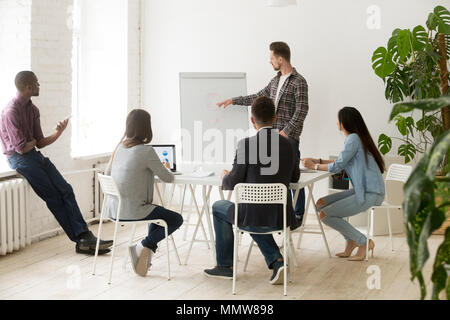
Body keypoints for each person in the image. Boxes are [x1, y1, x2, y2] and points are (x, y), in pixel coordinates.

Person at [0, 71, 113, 255]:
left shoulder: (33, 109)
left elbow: (39, 142)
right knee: (53, 196)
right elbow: (21, 148)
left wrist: (58, 132)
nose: (39, 86)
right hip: (19, 159)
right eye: (36, 83)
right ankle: (82, 239)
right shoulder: (11, 111)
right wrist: (33, 143)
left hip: (34, 156)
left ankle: (84, 237)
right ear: (28, 86)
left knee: (66, 190)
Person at [204, 96, 301, 285]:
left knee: (219, 207)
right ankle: (276, 260)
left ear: (252, 120)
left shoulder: (245, 145)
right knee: (249, 214)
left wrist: (225, 176)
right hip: (281, 216)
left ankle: (225, 266)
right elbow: (294, 178)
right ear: (275, 117)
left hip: (252, 215)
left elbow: (232, 182)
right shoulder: (289, 144)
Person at [217, 41, 308, 221]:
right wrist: (234, 100)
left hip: (288, 140)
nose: (270, 61)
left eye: (272, 58)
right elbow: (257, 97)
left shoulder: (299, 81)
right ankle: (273, 214)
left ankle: (297, 214)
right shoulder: (274, 81)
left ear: (280, 59)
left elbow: (302, 110)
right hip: (270, 138)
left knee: (292, 177)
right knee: (271, 179)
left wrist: (286, 132)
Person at [104, 109, 183, 277]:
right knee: (176, 219)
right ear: (147, 128)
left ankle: (144, 259)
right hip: (133, 210)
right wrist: (165, 168)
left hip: (114, 210)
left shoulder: (118, 148)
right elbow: (167, 178)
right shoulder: (145, 151)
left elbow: (107, 172)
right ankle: (143, 246)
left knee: (158, 216)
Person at [302, 107, 386, 261]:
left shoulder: (353, 138)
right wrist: (318, 161)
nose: (336, 122)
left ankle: (363, 242)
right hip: (363, 190)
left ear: (344, 122)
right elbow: (341, 162)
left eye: (338, 119)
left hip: (370, 193)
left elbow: (337, 166)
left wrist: (313, 166)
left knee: (324, 214)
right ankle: (350, 241)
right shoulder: (356, 138)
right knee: (320, 204)